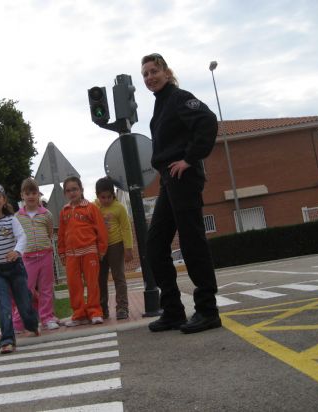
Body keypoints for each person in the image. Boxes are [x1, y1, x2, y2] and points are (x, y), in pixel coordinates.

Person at [141, 52, 222, 334]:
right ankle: (173, 310)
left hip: (184, 178)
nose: (150, 77)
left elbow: (208, 121)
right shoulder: (161, 104)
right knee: (155, 245)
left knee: (192, 242)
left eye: (154, 71)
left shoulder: (178, 98)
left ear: (165, 71)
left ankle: (208, 311)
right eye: (146, 74)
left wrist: (189, 158)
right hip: (169, 181)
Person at [0, 183, 39, 354]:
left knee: (24, 304)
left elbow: (22, 237)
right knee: (4, 305)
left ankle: (32, 324)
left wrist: (17, 251)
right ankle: (7, 340)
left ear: (4, 200)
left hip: (16, 267)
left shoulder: (12, 220)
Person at [58, 176, 108, 326]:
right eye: (68, 190)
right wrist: (61, 252)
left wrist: (102, 249)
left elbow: (101, 229)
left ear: (81, 190)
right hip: (71, 254)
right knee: (74, 285)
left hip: (89, 251)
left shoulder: (91, 208)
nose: (72, 193)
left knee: (92, 283)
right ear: (65, 194)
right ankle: (79, 314)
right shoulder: (64, 211)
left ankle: (95, 312)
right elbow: (61, 234)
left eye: (75, 189)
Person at [12, 177, 60, 331]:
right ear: (22, 195)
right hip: (27, 259)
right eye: (27, 193)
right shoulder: (17, 217)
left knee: (46, 288)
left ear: (38, 195)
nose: (31, 196)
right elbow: (16, 237)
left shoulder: (46, 214)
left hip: (45, 256)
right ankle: (18, 321)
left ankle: (47, 317)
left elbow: (49, 232)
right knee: (26, 290)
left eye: (34, 193)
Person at [94, 177, 133, 320]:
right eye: (102, 197)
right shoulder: (94, 207)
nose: (106, 200)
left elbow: (126, 228)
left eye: (109, 196)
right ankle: (102, 309)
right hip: (100, 247)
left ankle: (122, 308)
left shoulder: (119, 208)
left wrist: (128, 248)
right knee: (100, 278)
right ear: (97, 195)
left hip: (116, 245)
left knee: (119, 277)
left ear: (113, 194)